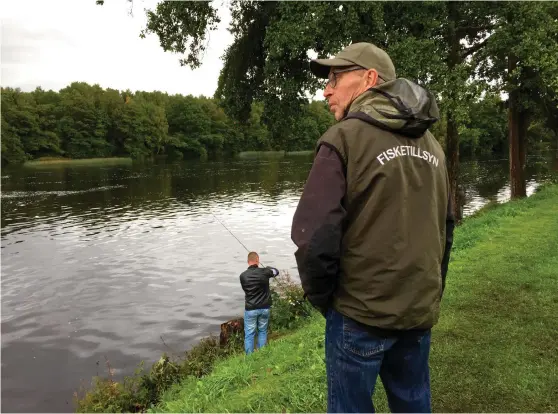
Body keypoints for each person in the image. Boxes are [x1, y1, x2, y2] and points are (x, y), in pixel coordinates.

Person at [291, 42, 455, 413]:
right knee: (414, 404)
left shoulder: (343, 139)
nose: (326, 90)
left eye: (335, 77)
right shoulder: (434, 147)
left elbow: (314, 238)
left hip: (358, 318)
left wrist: (328, 302)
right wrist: (429, 294)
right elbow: (446, 231)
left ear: (369, 79)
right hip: (417, 313)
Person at [239, 251, 279, 355]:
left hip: (250, 309)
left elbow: (246, 289)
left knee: (249, 334)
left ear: (248, 261)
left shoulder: (242, 276)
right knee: (262, 331)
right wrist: (268, 267)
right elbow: (276, 271)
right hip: (264, 308)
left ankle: (249, 358)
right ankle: (262, 354)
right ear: (258, 260)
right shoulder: (264, 272)